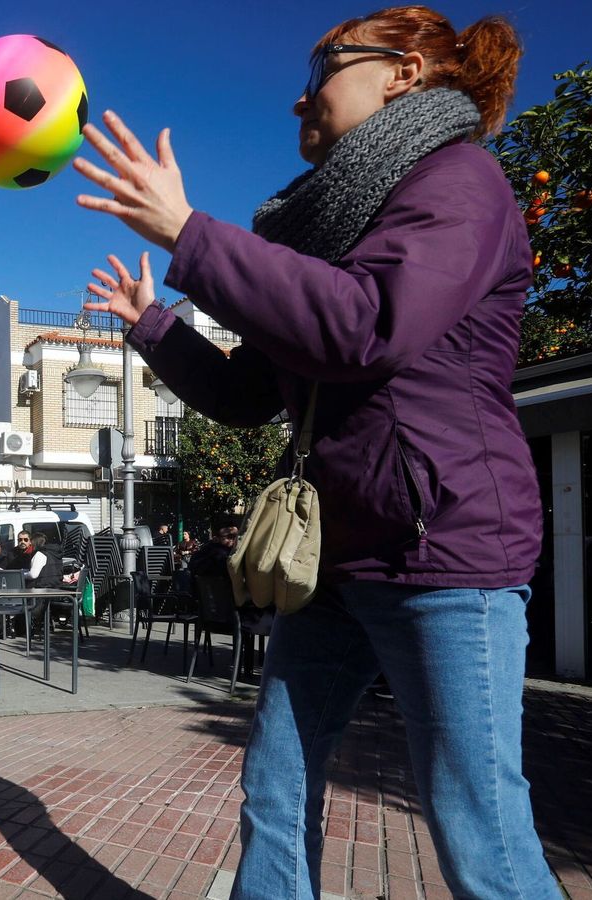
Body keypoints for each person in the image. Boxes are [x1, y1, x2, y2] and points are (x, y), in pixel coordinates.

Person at [74, 7, 555, 897]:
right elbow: (252, 391)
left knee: (477, 827)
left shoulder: (462, 184)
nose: (302, 94)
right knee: (275, 784)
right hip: (336, 559)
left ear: (403, 72)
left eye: (325, 65)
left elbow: (368, 326)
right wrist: (154, 325)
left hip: (444, 553)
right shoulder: (334, 224)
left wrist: (194, 236)